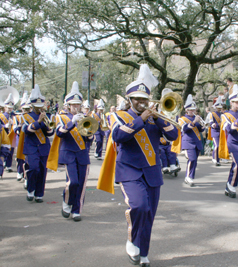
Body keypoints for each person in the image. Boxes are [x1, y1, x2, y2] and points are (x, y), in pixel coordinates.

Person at [97, 64, 178, 266]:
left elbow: (173, 135)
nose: (142, 102)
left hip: (152, 172)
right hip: (129, 171)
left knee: (149, 214)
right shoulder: (118, 116)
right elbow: (118, 136)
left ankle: (143, 253)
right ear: (130, 100)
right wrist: (141, 118)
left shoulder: (155, 118)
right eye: (138, 99)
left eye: (145, 99)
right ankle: (132, 240)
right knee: (139, 206)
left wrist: (157, 118)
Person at [47, 81, 93, 221]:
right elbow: (60, 133)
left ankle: (77, 210)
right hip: (68, 153)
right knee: (72, 182)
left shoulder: (86, 118)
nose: (76, 107)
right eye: (73, 104)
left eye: (78, 104)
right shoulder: (60, 117)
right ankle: (67, 202)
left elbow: (89, 139)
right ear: (68, 105)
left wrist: (90, 134)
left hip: (82, 154)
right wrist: (73, 122)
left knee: (81, 184)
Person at [20, 85, 55, 203]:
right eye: (37, 106)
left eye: (41, 106)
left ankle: (39, 193)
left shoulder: (48, 116)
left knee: (42, 171)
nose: (39, 109)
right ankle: (30, 190)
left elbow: (50, 133)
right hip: (31, 147)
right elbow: (27, 130)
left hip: (44, 147)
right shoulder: (25, 116)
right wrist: (39, 121)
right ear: (32, 106)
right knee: (34, 168)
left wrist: (47, 125)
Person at [177, 94, 205, 186]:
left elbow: (200, 129)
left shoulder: (197, 118)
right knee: (192, 159)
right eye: (190, 110)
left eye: (193, 110)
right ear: (186, 110)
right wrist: (194, 122)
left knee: (195, 160)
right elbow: (185, 128)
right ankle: (187, 176)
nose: (192, 111)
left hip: (197, 141)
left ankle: (191, 177)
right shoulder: (182, 119)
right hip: (188, 142)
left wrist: (203, 125)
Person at [14, 92, 31, 183]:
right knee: (20, 157)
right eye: (24, 109)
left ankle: (26, 177)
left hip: (29, 140)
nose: (26, 111)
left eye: (28, 109)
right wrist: (18, 128)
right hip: (20, 139)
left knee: (28, 159)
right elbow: (15, 128)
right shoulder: (18, 117)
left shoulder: (32, 117)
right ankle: (19, 171)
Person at [2, 93, 16, 172]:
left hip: (11, 135)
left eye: (11, 108)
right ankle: (3, 162)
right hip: (4, 135)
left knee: (11, 150)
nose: (10, 109)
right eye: (8, 108)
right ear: (5, 107)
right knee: (4, 150)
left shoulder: (14, 115)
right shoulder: (1, 116)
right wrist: (4, 126)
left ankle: (8, 165)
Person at [208, 96, 223, 166]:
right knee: (216, 145)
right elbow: (211, 123)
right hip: (214, 131)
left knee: (219, 146)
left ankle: (218, 159)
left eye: (220, 107)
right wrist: (216, 124)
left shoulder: (222, 114)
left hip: (221, 131)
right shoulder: (212, 114)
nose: (219, 108)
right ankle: (214, 158)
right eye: (218, 107)